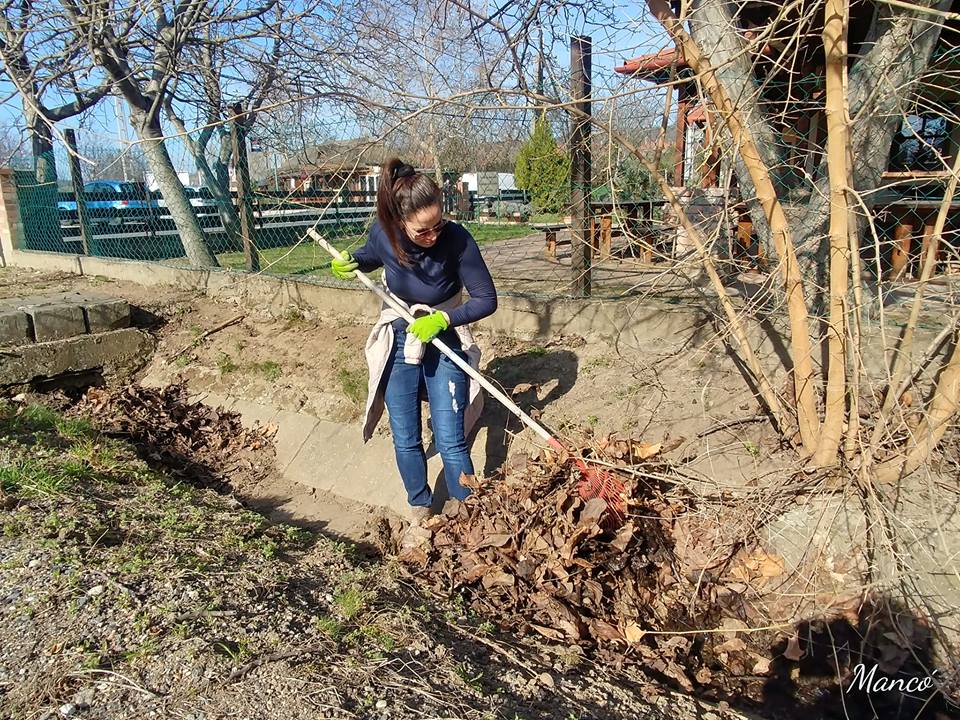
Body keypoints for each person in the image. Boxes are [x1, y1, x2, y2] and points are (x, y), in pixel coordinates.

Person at [331, 159, 498, 522]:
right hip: (398, 337)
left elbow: (487, 299)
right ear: (399, 221)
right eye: (423, 231)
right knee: (405, 436)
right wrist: (352, 261)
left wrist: (444, 319)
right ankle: (420, 507)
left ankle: (467, 514)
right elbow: (372, 255)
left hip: (444, 338)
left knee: (451, 439)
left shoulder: (457, 240)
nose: (433, 235)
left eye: (438, 224)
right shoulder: (384, 233)